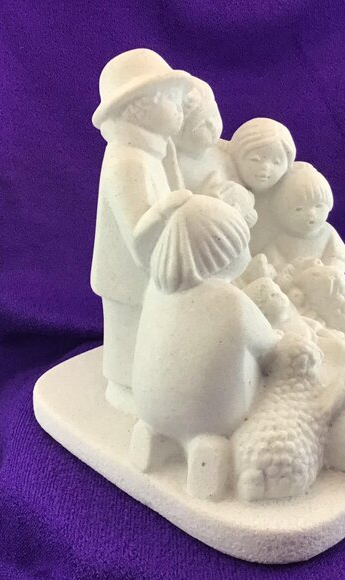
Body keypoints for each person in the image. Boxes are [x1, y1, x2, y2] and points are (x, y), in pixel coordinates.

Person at [129, 194, 279, 500]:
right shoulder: (231, 301)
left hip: (148, 405)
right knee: (261, 370)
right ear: (220, 255)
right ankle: (207, 449)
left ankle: (151, 435)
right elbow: (268, 348)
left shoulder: (155, 288)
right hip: (211, 416)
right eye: (241, 246)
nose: (247, 253)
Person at [91, 49, 193, 414]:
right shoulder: (128, 161)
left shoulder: (153, 152)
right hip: (130, 276)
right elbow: (138, 232)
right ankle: (129, 390)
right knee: (130, 338)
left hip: (148, 271)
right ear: (135, 108)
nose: (180, 108)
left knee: (148, 335)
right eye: (169, 98)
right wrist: (175, 207)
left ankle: (147, 385)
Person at [174, 79, 257, 227]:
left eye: (213, 115)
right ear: (180, 136)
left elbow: (245, 188)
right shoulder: (176, 166)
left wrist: (246, 205)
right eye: (201, 124)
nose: (213, 126)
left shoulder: (223, 153)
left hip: (234, 220)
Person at [263, 162, 345, 272]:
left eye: (318, 206)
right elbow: (271, 263)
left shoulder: (327, 232)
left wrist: (330, 269)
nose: (311, 213)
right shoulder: (280, 238)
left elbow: (340, 256)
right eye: (299, 209)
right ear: (280, 213)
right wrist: (283, 269)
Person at [228, 118, 296, 253]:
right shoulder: (226, 188)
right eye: (255, 159)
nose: (265, 168)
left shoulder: (288, 195)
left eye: (276, 162)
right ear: (237, 156)